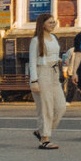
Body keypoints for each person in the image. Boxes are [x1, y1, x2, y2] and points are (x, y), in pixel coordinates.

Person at [28, 13, 67, 150]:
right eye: (50, 22)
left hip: (54, 73)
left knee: (61, 106)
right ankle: (44, 139)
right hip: (42, 73)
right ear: (42, 24)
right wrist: (34, 81)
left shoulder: (53, 38)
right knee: (46, 107)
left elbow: (55, 54)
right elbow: (32, 62)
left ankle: (41, 131)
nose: (53, 24)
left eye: (54, 22)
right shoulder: (36, 41)